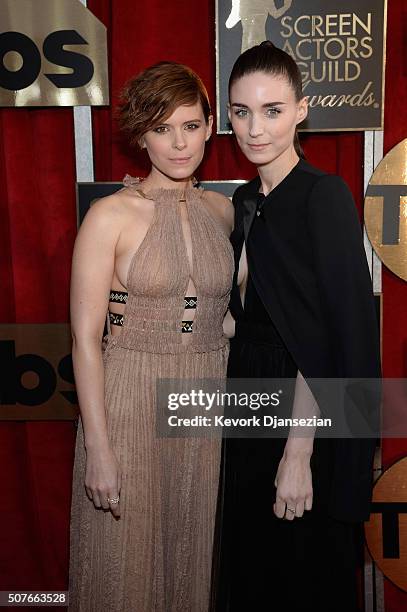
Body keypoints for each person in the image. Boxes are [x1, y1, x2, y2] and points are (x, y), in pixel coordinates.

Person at [215, 42, 381, 611]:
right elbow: (257, 315)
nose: (254, 128)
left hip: (301, 410)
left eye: (272, 110)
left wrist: (298, 452)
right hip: (248, 402)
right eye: (241, 112)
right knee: (253, 568)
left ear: (302, 109)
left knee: (301, 575)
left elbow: (332, 336)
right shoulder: (244, 199)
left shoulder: (323, 195)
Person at [68, 61, 234, 612]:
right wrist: (99, 448)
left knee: (191, 558)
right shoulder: (109, 215)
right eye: (162, 129)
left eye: (190, 125)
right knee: (126, 568)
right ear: (142, 136)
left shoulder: (224, 212)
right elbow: (85, 338)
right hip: (131, 397)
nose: (178, 143)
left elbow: (222, 311)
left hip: (204, 397)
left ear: (210, 126)